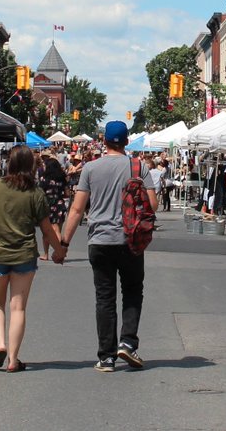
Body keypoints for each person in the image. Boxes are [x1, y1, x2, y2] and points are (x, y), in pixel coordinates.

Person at [59, 121, 158, 372]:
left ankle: (106, 357)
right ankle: (127, 342)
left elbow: (77, 209)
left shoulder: (90, 168)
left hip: (100, 241)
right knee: (133, 291)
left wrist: (63, 243)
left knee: (105, 298)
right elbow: (153, 205)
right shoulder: (138, 166)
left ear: (104, 142)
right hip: (130, 239)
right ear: (126, 141)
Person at [0, 145, 67, 373]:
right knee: (18, 308)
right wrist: (59, 251)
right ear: (31, 167)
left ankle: (0, 344)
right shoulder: (35, 193)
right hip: (24, 254)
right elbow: (46, 228)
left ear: (9, 163)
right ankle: (13, 359)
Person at [37, 150, 68, 260]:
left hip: (47, 205)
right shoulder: (62, 178)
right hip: (59, 204)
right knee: (57, 230)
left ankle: (46, 254)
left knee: (46, 231)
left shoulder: (44, 179)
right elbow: (67, 193)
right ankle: (59, 252)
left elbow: (40, 193)